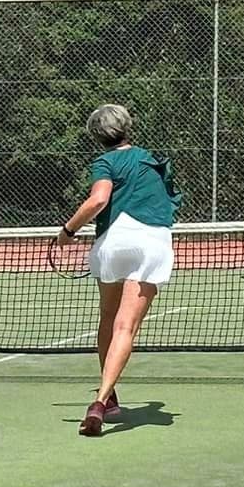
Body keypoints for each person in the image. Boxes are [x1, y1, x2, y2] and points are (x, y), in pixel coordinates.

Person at [54, 103, 177, 436]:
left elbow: (97, 201)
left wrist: (66, 232)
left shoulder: (105, 161)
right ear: (128, 128)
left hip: (112, 243)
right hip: (151, 243)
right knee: (126, 327)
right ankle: (100, 400)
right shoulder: (152, 159)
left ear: (97, 136)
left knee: (108, 319)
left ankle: (108, 401)